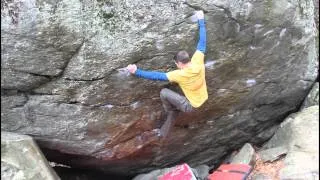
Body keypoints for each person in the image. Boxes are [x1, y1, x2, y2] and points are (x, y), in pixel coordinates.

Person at [127, 10, 208, 142]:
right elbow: (202, 41)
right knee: (174, 109)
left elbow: (156, 76)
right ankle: (163, 132)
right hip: (203, 98)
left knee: (164, 92)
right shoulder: (198, 60)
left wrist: (136, 71)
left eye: (176, 63)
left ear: (180, 64)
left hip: (191, 105)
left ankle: (171, 111)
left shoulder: (179, 74)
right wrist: (201, 19)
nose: (176, 65)